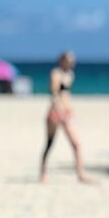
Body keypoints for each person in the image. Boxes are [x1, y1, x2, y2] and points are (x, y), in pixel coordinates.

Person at [39, 50, 88, 183]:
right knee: (49, 143)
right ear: (62, 60)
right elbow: (54, 93)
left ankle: (80, 173)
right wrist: (59, 109)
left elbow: (66, 94)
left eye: (72, 60)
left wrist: (69, 109)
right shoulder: (56, 73)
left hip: (67, 113)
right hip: (55, 112)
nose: (71, 63)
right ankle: (42, 173)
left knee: (76, 144)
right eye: (69, 60)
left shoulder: (70, 75)